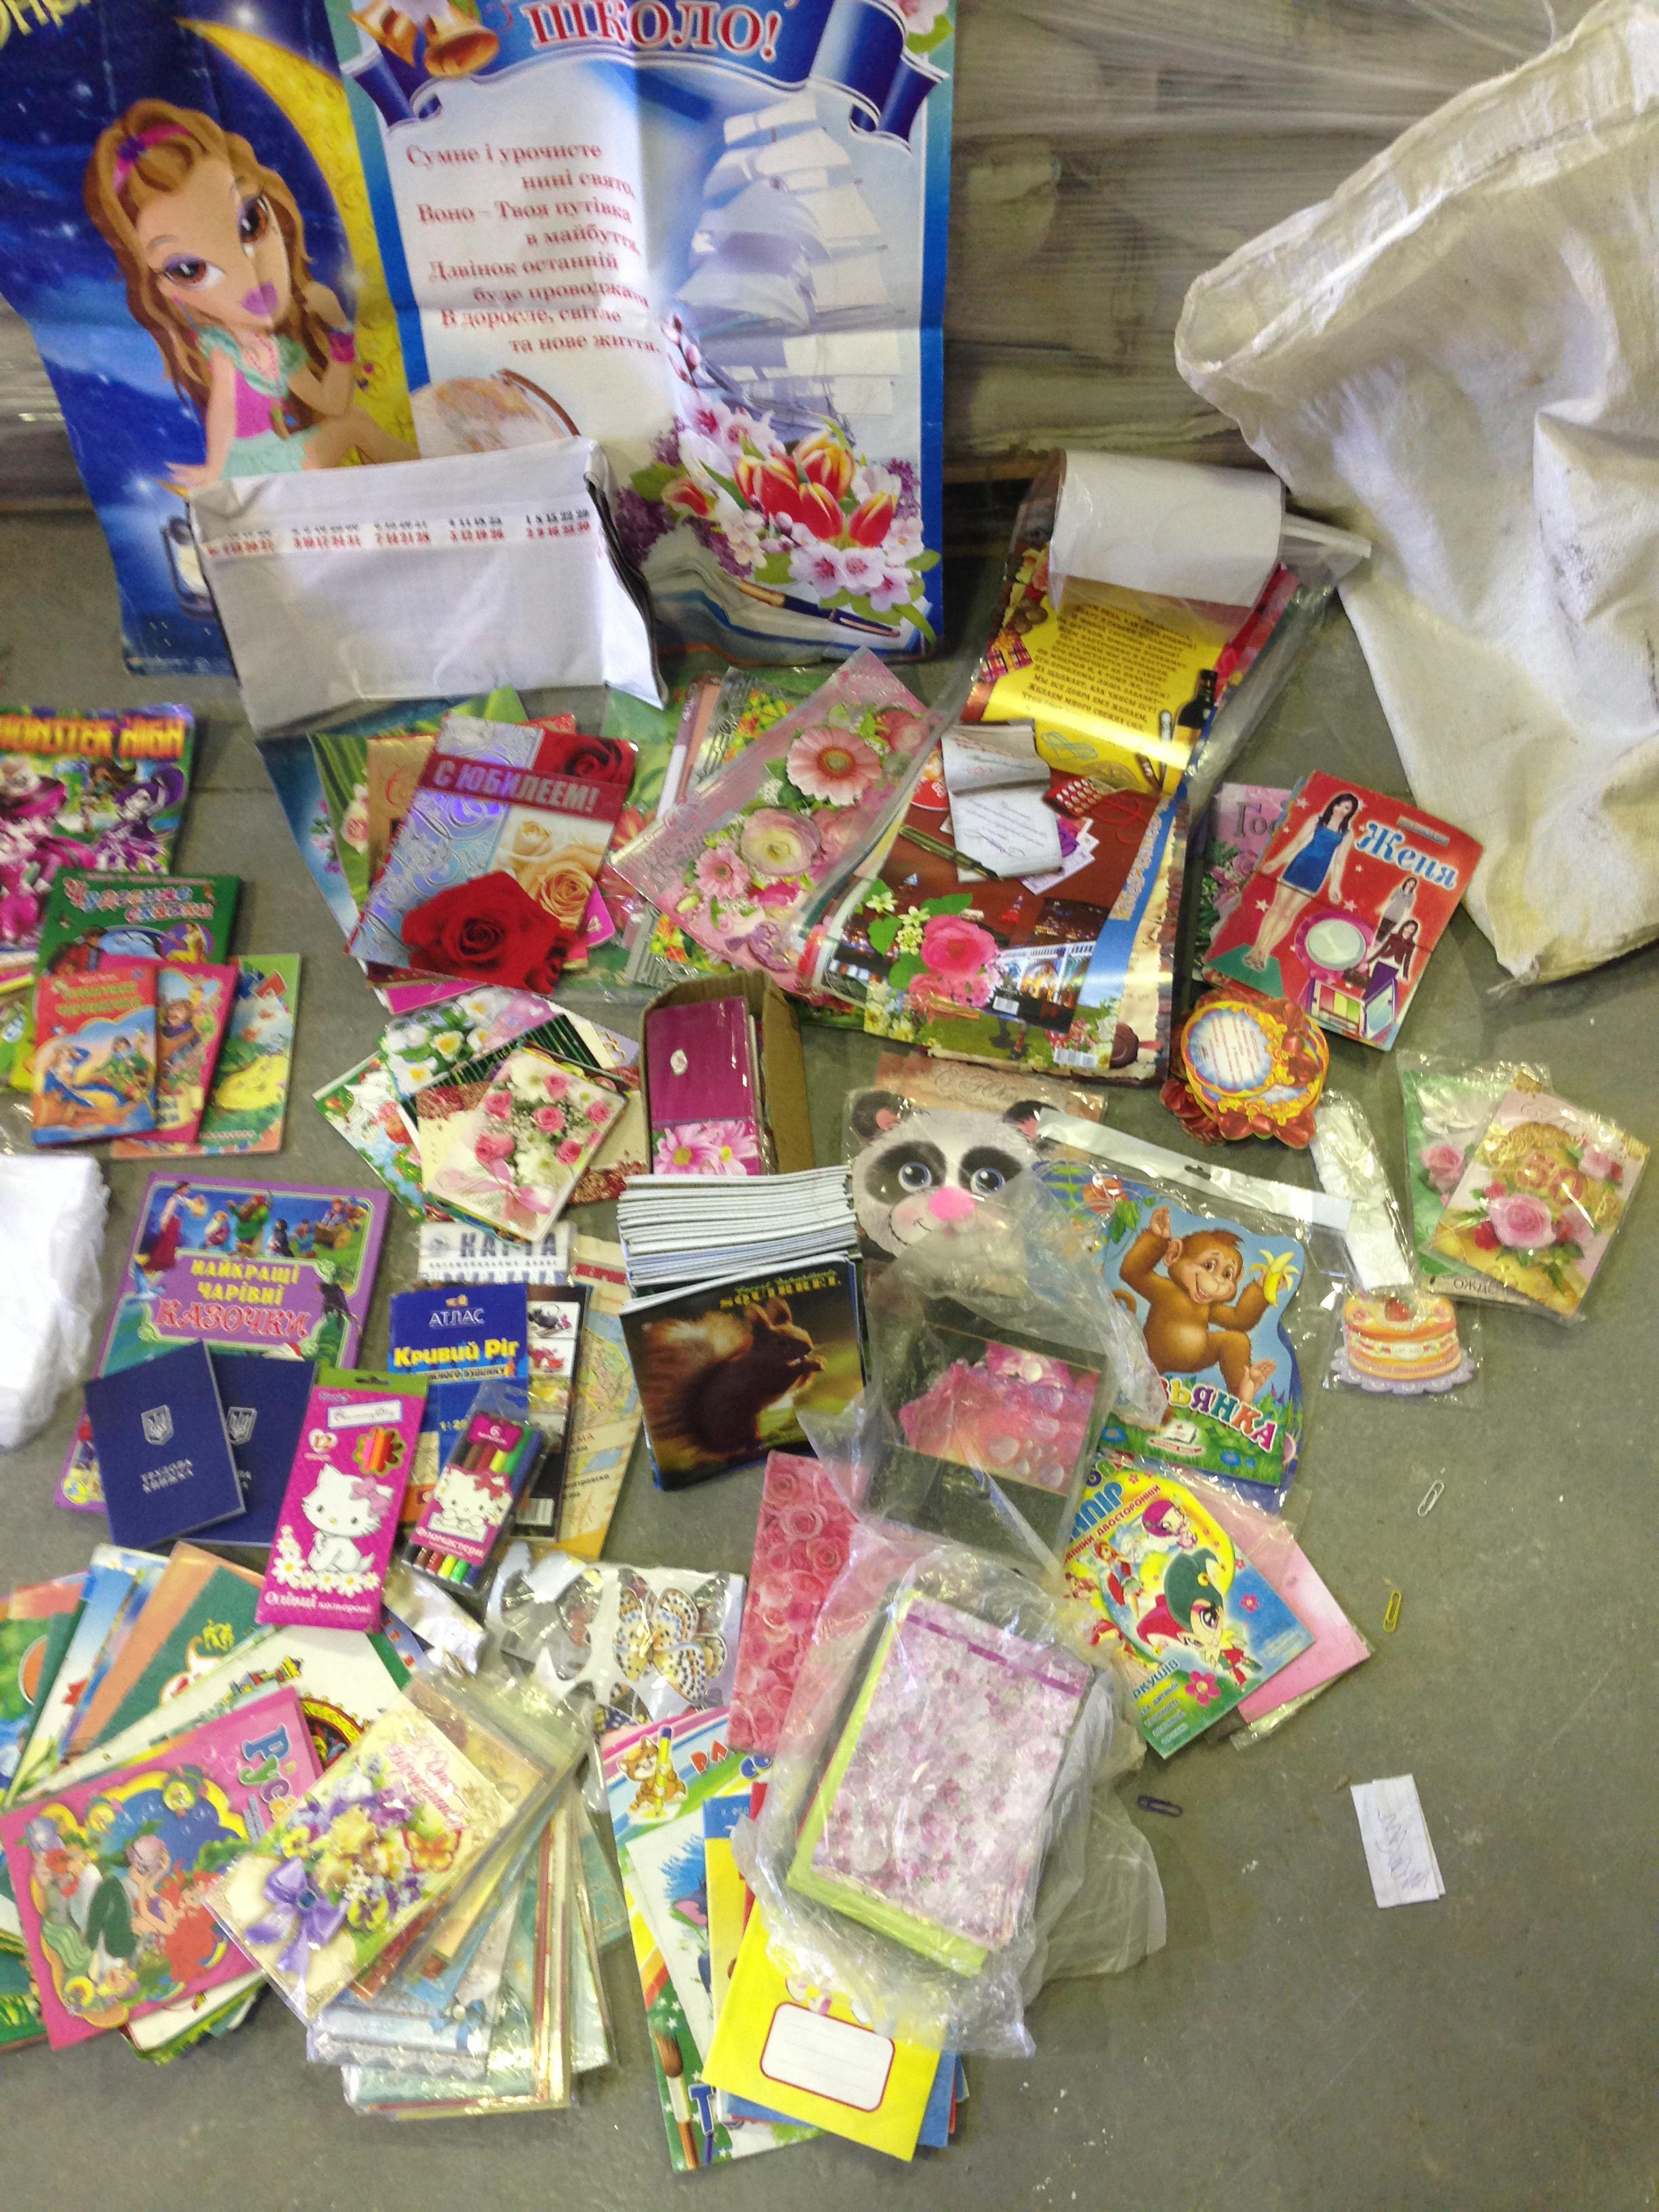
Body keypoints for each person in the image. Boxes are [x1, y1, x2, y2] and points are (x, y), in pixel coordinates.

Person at [83, 100, 414, 493]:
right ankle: (441, 481)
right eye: (190, 270)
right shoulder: (224, 349)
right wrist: (215, 468)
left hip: (282, 456)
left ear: (275, 210)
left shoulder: (281, 351)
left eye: (251, 224)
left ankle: (438, 481)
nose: (247, 277)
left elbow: (333, 403)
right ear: (167, 289)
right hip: (255, 465)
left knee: (355, 421)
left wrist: (339, 327)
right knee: (356, 426)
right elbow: (223, 410)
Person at [1242, 789, 1361, 975]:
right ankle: (1256, 949)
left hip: (1316, 875)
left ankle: (1264, 953)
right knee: (1277, 908)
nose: (1341, 809)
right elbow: (1298, 843)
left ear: (1350, 813)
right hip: (1298, 866)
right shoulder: (1317, 820)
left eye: (1346, 808)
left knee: (1289, 914)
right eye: (1340, 804)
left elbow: (1339, 862)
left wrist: (1334, 886)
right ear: (1334, 804)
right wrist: (1277, 862)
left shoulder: (1346, 834)